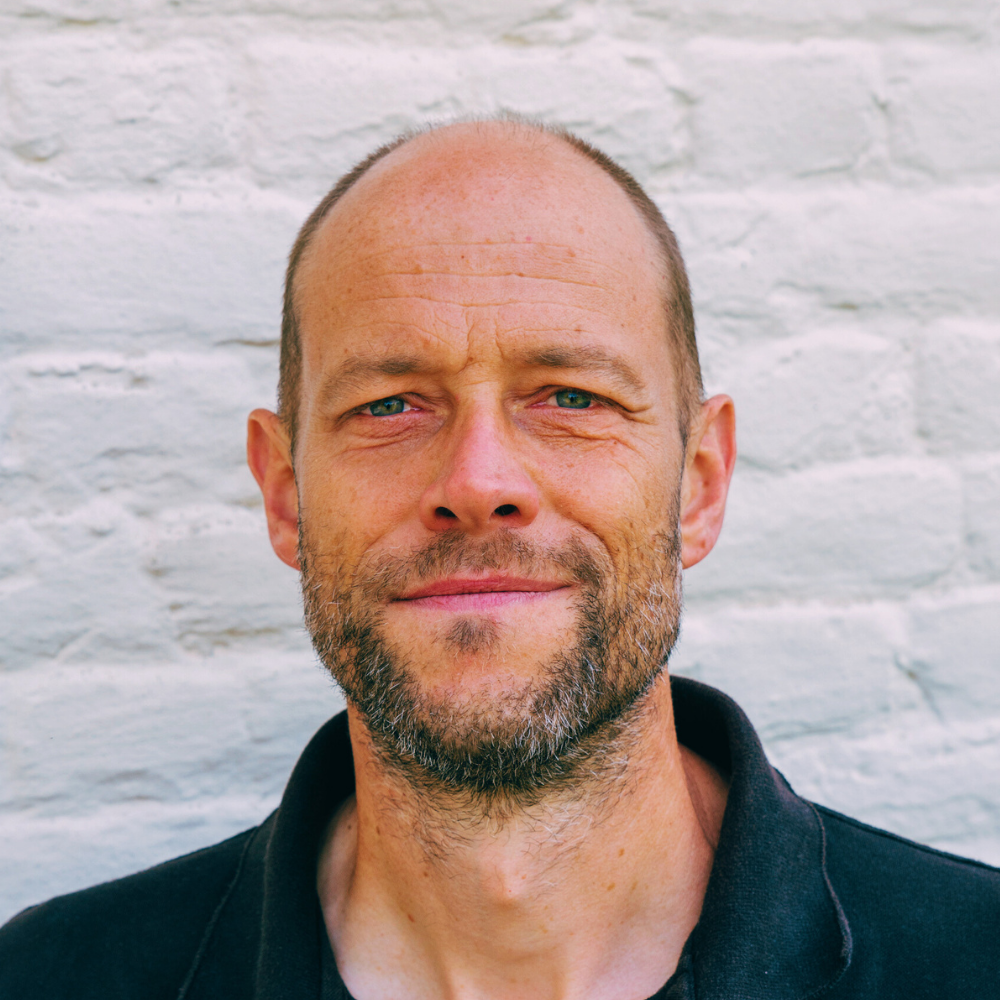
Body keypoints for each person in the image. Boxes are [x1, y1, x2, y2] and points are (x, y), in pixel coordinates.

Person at [1, 117, 997, 1000]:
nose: (478, 482)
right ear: (287, 493)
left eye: (572, 397)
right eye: (389, 405)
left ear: (698, 484)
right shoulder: (52, 979)